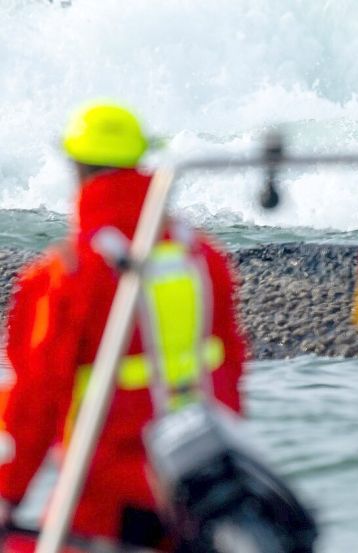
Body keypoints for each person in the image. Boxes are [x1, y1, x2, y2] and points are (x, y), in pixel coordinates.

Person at [0, 101, 247, 549]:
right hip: (202, 484)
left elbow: (33, 400)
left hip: (106, 496)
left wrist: (7, 494)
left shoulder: (66, 274)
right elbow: (230, 367)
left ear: (76, 169)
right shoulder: (201, 258)